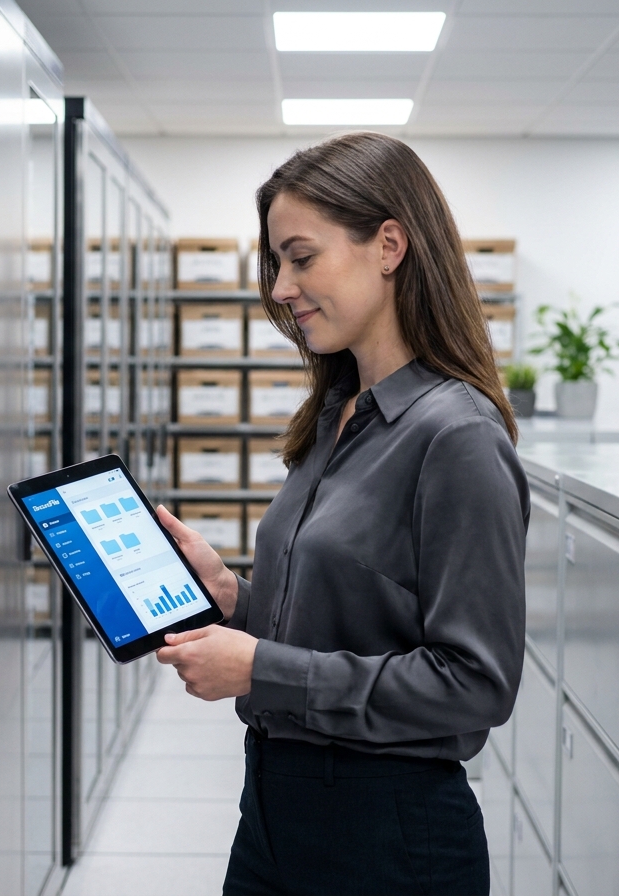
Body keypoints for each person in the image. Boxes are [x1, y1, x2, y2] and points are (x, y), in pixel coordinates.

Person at [155, 132, 528, 896]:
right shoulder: (336, 415)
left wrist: (260, 666)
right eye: (276, 265)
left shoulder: (455, 436)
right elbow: (344, 627)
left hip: (386, 834)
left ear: (389, 244)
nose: (282, 287)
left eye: (302, 256)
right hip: (273, 811)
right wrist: (234, 598)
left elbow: (475, 683)